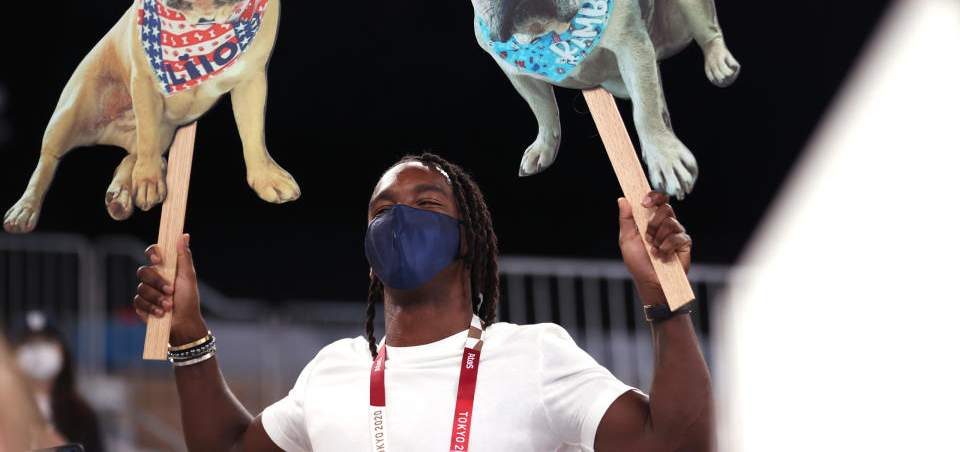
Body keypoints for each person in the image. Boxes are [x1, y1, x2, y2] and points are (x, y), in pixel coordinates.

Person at [135, 152, 714, 451]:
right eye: (382, 212)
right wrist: (187, 333)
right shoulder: (335, 371)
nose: (400, 218)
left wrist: (665, 301)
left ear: (468, 238)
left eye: (427, 202)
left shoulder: (533, 355)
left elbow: (675, 446)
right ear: (369, 254)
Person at [10, 311, 105, 452]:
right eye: (28, 342)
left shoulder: (82, 416)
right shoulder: (6, 412)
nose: (38, 351)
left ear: (62, 350)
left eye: (46, 341)